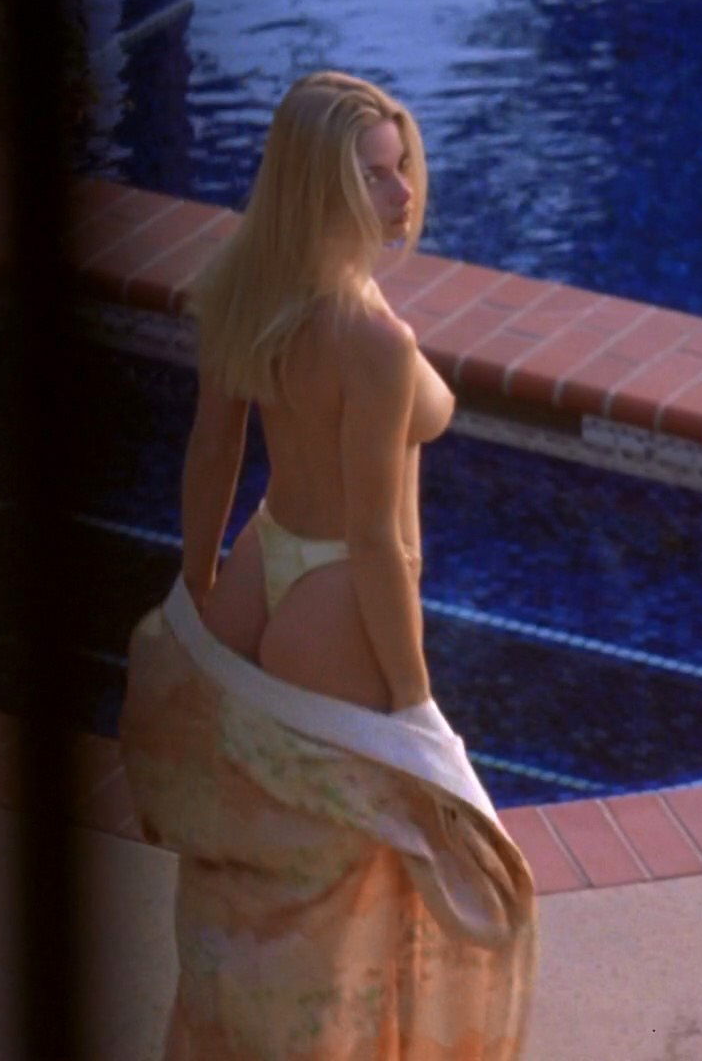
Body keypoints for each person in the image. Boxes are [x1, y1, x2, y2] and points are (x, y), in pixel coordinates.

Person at [118, 70, 537, 1059]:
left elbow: (214, 452)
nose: (402, 193)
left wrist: (199, 581)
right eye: (374, 176)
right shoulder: (376, 342)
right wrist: (416, 704)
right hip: (340, 592)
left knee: (257, 865)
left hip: (260, 563)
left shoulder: (244, 286)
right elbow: (379, 539)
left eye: (401, 168)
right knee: (354, 897)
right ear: (321, 186)